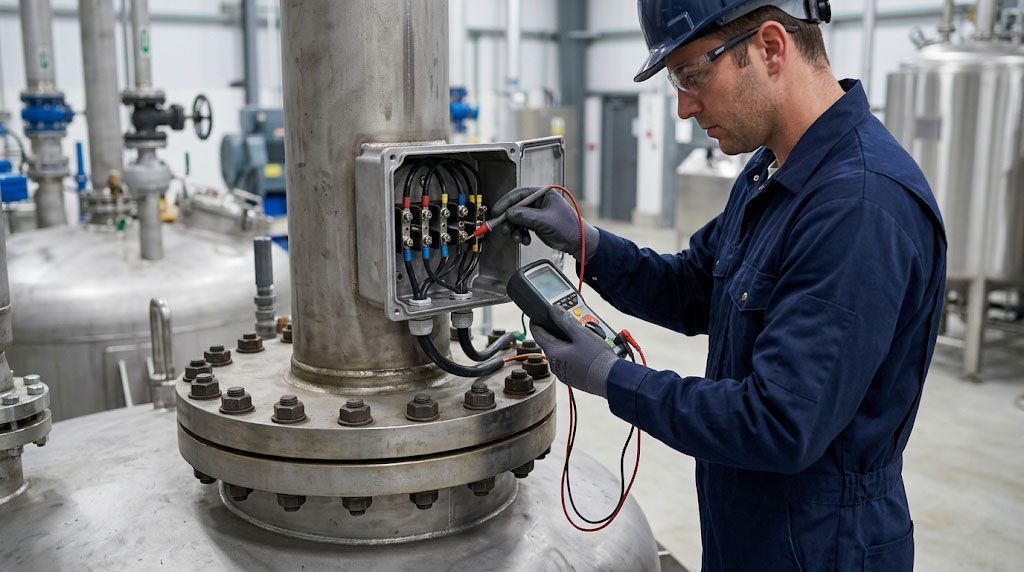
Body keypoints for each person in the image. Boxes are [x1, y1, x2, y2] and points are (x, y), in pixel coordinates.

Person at [493, 1, 947, 570]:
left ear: (771, 47)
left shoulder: (857, 204)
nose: (684, 108)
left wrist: (616, 379)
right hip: (752, 527)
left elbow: (779, 423)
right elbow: (692, 287)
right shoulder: (774, 172)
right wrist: (588, 243)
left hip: (820, 545)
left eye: (691, 77)